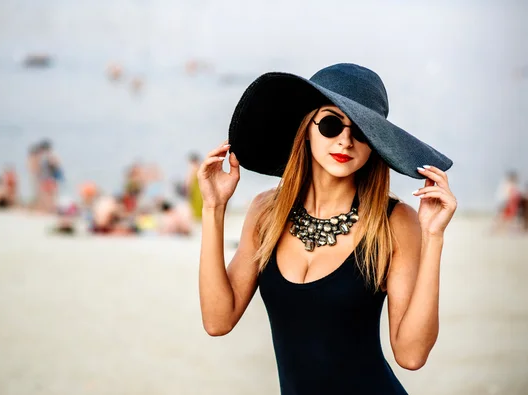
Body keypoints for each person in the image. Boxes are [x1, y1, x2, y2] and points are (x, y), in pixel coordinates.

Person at [198, 64, 457, 394]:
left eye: (361, 131)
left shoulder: (394, 221)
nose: (345, 141)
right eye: (332, 125)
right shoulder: (266, 212)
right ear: (307, 128)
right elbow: (218, 320)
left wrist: (433, 237)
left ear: (375, 143)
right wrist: (213, 207)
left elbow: (411, 354)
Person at [186, 153, 203, 221]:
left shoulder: (193, 168)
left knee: (195, 204)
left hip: (195, 190)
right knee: (200, 203)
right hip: (200, 189)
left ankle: (197, 218)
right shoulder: (200, 167)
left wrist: (188, 190)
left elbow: (189, 181)